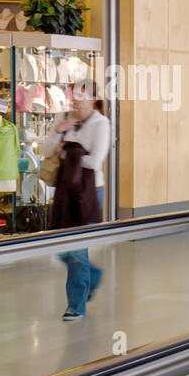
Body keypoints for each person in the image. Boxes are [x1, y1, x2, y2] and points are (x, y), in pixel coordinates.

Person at [51, 84, 109, 321]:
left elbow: (95, 162)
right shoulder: (64, 119)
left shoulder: (101, 124)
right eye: (73, 98)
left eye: (81, 98)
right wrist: (58, 131)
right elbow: (46, 151)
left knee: (76, 249)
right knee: (59, 246)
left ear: (93, 99)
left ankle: (76, 305)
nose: (75, 103)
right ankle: (92, 276)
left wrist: (67, 153)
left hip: (88, 191)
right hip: (65, 190)